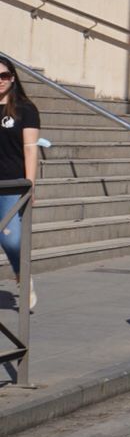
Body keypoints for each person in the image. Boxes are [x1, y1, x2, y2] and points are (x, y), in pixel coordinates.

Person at [0, 56, 40, 312]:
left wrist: (30, 185)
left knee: (12, 240)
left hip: (12, 185)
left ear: (12, 78)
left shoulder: (25, 109)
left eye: (3, 76)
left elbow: (30, 149)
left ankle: (23, 277)